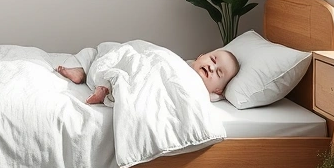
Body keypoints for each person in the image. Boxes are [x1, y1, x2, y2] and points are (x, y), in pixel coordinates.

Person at [55, 48, 240, 105]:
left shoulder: (207, 94)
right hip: (149, 63)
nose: (212, 66)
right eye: (213, 59)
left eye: (219, 73)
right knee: (109, 50)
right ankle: (83, 69)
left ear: (218, 89)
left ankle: (104, 86)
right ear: (201, 56)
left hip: (152, 80)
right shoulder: (184, 62)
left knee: (125, 75)